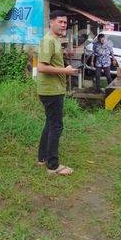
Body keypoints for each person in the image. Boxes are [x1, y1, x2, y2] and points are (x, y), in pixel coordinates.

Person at [36, 10, 80, 176]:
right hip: (51, 91)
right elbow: (41, 67)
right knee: (56, 126)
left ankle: (42, 158)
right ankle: (53, 166)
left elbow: (50, 62)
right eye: (60, 22)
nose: (63, 25)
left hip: (51, 89)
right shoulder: (48, 41)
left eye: (65, 22)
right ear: (51, 22)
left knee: (50, 124)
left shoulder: (54, 41)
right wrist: (66, 71)